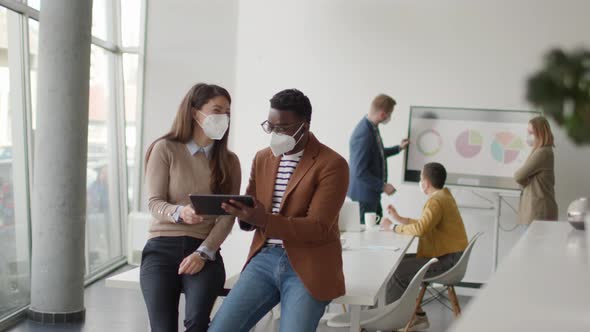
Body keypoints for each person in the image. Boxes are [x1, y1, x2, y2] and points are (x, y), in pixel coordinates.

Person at [208, 89, 350, 332]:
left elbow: (317, 228)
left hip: (310, 263)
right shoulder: (262, 158)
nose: (274, 134)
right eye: (270, 127)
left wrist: (263, 219)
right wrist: (243, 214)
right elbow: (252, 208)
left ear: (304, 126)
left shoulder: (332, 164)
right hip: (264, 258)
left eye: (282, 128)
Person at [140, 83, 241, 332]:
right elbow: (154, 202)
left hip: (203, 252)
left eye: (227, 112)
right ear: (195, 113)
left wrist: (204, 252)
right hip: (161, 249)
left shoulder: (229, 161)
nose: (224, 117)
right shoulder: (164, 148)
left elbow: (228, 216)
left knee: (197, 321)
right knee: (162, 327)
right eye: (217, 110)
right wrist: (179, 212)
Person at [381, 162, 468, 330]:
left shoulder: (436, 201)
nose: (420, 182)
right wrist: (400, 219)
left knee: (399, 273)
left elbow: (421, 229)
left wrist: (393, 227)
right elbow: (426, 225)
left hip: (448, 260)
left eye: (421, 178)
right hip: (449, 255)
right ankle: (416, 316)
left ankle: (391, 322)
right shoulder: (444, 196)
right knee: (396, 264)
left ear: (426, 183)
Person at [348, 94, 409, 224]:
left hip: (371, 195)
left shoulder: (372, 128)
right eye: (390, 114)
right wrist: (383, 186)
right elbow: (359, 171)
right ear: (382, 114)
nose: (390, 118)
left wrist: (399, 148)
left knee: (376, 231)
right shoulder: (364, 134)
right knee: (367, 237)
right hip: (364, 196)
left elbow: (377, 154)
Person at [514, 116, 558, 225]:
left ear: (540, 133)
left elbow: (518, 176)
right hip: (537, 210)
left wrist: (526, 181)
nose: (528, 136)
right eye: (527, 132)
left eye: (531, 132)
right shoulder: (541, 151)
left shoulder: (542, 153)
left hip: (538, 212)